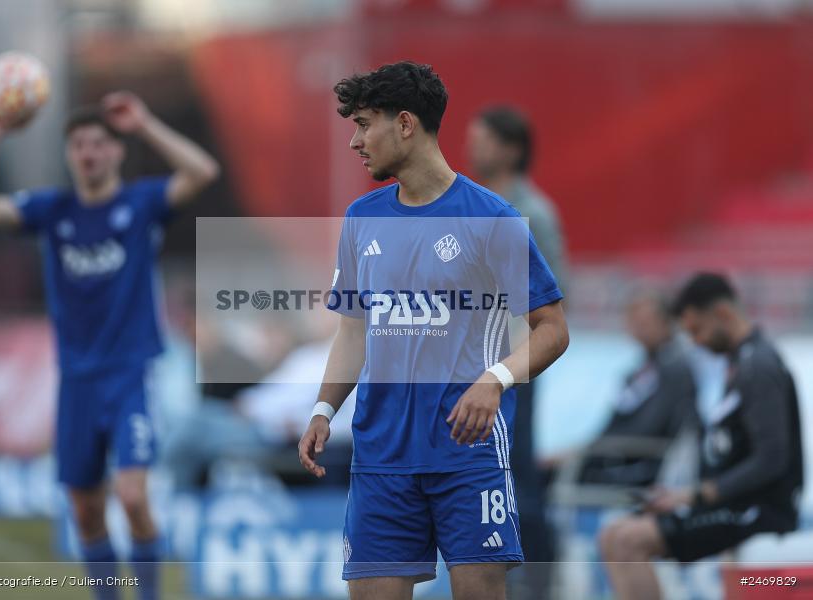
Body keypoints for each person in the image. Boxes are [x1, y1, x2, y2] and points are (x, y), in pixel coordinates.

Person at [297, 62, 569, 600]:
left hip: (466, 454)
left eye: (363, 124)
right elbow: (353, 333)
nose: (354, 141)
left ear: (404, 124)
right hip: (381, 455)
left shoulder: (493, 218)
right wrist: (323, 410)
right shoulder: (361, 218)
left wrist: (495, 379)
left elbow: (552, 328)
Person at [0, 92, 219, 600]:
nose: (89, 153)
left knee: (132, 495)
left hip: (130, 374)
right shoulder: (54, 210)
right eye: (79, 144)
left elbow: (203, 171)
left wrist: (144, 124)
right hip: (76, 380)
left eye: (99, 143)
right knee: (84, 508)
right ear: (69, 154)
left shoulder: (139, 205)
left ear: (116, 152)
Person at [600, 273, 804, 600]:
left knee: (628, 540)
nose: (694, 342)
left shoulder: (758, 366)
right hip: (733, 502)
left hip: (759, 511)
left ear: (723, 314)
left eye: (697, 330)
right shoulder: (740, 363)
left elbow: (771, 460)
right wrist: (682, 495)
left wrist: (697, 495)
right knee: (613, 535)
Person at [466, 105, 571, 598]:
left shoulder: (535, 212)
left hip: (514, 366)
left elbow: (553, 300)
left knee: (517, 478)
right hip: (474, 364)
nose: (473, 148)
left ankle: (537, 584)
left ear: (511, 148)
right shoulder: (475, 204)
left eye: (483, 140)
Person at [579, 289, 698, 487]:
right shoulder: (640, 371)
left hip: (639, 464)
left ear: (666, 323)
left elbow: (649, 428)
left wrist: (589, 451)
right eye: (633, 321)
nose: (637, 328)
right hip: (615, 453)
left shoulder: (675, 370)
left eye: (644, 323)